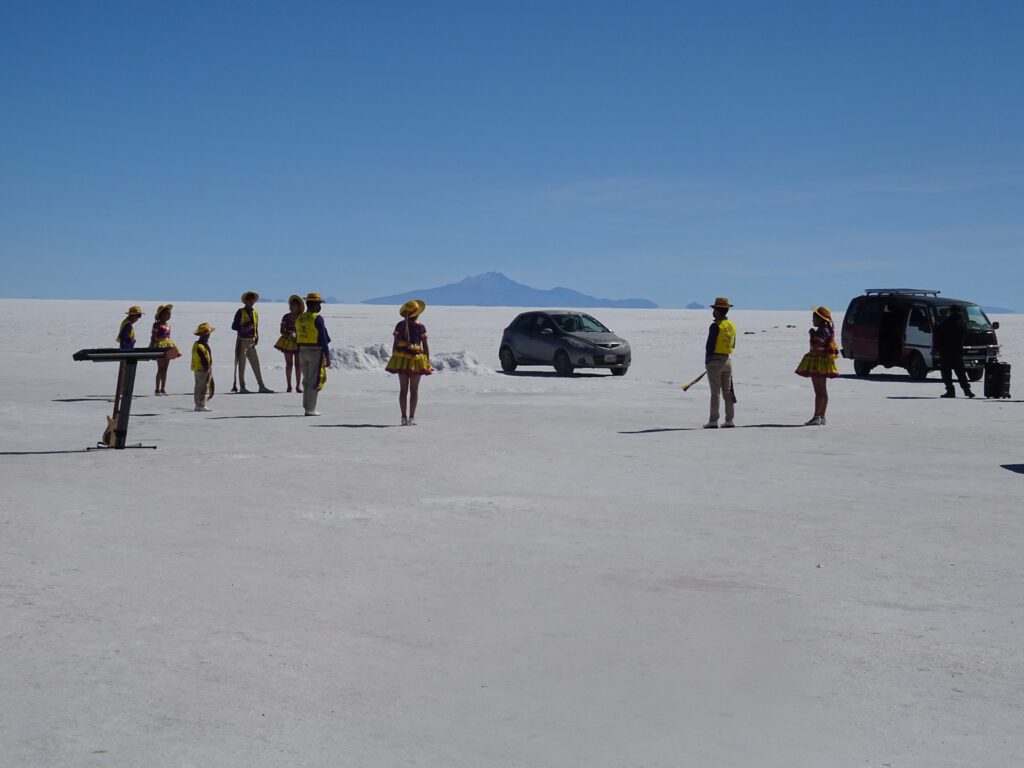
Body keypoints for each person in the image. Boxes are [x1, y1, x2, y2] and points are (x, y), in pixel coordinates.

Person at [385, 299, 433, 425]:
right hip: (416, 361)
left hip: (401, 360)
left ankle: (403, 418)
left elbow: (395, 344)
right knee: (414, 390)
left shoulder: (399, 325)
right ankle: (411, 418)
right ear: (417, 313)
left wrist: (394, 359)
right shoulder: (420, 326)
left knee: (403, 390)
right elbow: (425, 345)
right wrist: (427, 361)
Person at [795, 306, 840, 425]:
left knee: (819, 391)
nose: (813, 320)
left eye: (814, 317)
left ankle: (817, 416)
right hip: (823, 362)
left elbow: (816, 345)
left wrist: (812, 336)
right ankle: (821, 416)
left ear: (820, 318)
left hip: (818, 363)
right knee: (823, 391)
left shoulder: (822, 331)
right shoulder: (826, 329)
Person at [295, 292, 332, 416]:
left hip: (302, 350)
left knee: (306, 380)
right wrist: (327, 355)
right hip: (315, 351)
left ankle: (307, 405)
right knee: (314, 380)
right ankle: (310, 409)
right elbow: (323, 338)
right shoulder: (317, 318)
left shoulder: (300, 318)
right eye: (319, 304)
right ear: (316, 305)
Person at [231, 291, 273, 394]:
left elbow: (256, 326)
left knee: (256, 364)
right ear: (245, 301)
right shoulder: (240, 312)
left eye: (252, 299)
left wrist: (256, 337)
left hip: (251, 341)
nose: (251, 301)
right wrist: (243, 326)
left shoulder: (255, 312)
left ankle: (261, 386)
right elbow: (234, 326)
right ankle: (242, 386)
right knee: (242, 365)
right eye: (249, 299)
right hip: (242, 341)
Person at [704, 297, 737, 428]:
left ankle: (713, 420)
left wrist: (707, 359)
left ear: (717, 311)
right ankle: (729, 420)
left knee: (715, 393)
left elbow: (710, 345)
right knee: (727, 392)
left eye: (714, 309)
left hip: (715, 361)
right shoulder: (731, 325)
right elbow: (733, 343)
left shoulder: (716, 326)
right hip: (727, 360)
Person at [934, 305, 975, 398]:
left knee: (946, 373)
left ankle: (950, 391)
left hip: (946, 352)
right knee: (961, 372)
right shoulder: (963, 323)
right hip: (958, 351)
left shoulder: (946, 322)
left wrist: (938, 348)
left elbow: (939, 336)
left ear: (951, 312)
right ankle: (967, 391)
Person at [274, 294, 305, 393]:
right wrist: (289, 335)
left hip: (299, 342)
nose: (292, 307)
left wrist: (298, 335)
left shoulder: (302, 317)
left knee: (298, 365)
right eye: (291, 305)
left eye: (294, 305)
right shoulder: (286, 317)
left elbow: (304, 329)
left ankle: (298, 386)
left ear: (299, 306)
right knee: (289, 364)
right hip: (287, 342)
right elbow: (282, 330)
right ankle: (289, 386)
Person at [150, 304, 182, 395]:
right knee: (160, 368)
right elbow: (153, 336)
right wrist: (152, 347)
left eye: (169, 314)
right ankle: (157, 389)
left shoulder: (168, 325)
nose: (169, 316)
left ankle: (163, 388)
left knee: (165, 368)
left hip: (169, 345)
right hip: (160, 346)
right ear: (162, 314)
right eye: (167, 314)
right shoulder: (156, 324)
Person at [191, 323, 215, 412]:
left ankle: (199, 403)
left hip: (201, 369)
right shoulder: (199, 346)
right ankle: (200, 404)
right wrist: (206, 367)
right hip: (202, 369)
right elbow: (203, 358)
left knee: (200, 386)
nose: (209, 335)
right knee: (201, 387)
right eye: (207, 333)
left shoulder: (201, 344)